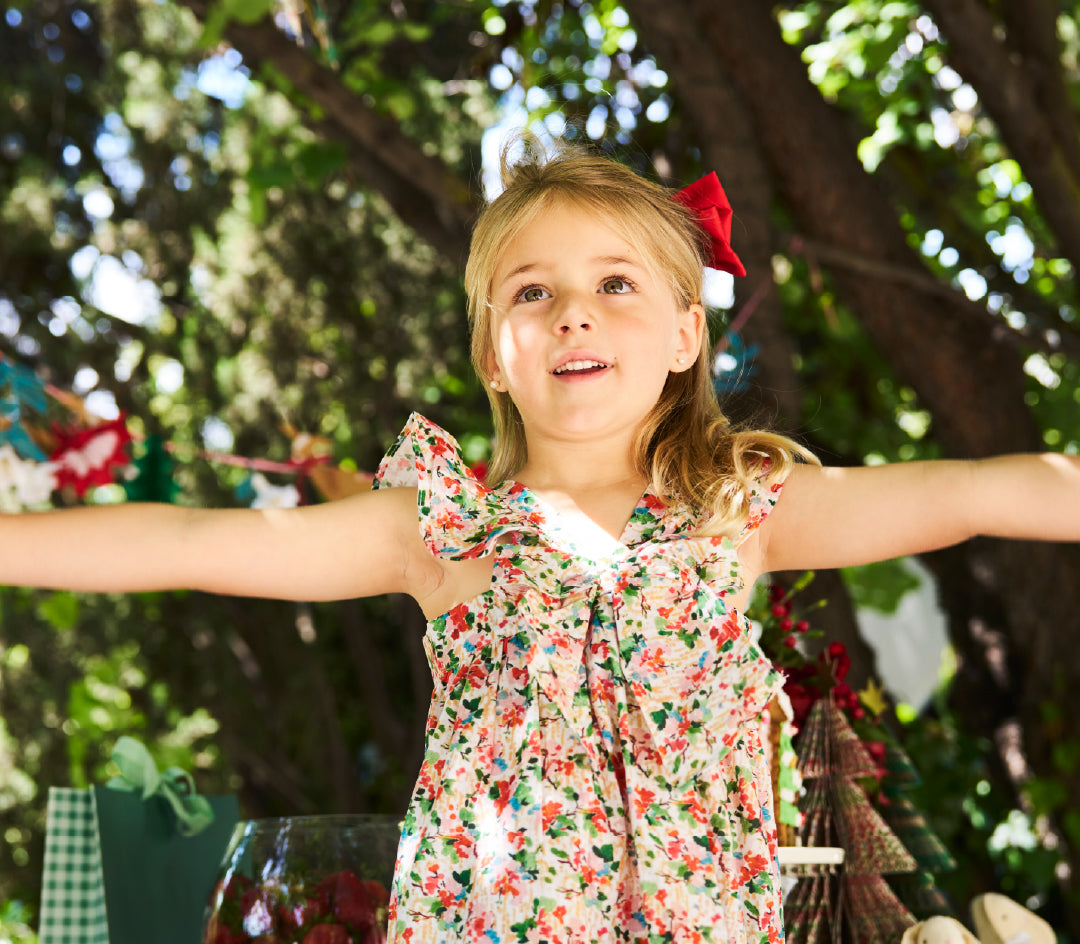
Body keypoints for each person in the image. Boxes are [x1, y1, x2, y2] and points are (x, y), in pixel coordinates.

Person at [2, 141, 1079, 944]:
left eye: (616, 282)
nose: (574, 312)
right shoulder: (438, 531)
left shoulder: (742, 511)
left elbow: (981, 492)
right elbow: (195, 539)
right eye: (534, 292)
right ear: (493, 354)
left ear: (683, 331)